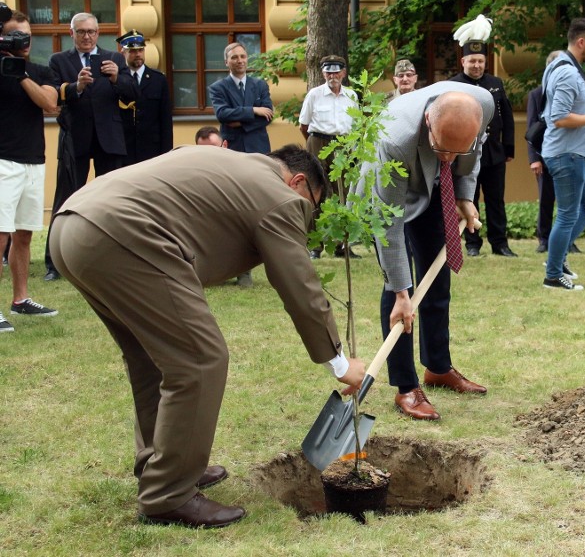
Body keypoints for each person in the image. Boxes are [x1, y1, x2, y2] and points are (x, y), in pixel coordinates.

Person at [49, 144, 366, 528]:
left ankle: (164, 465)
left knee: (153, 359)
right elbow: (298, 283)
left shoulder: (231, 166)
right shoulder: (278, 196)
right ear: (298, 181)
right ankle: (167, 495)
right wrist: (339, 362)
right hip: (123, 233)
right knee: (200, 359)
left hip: (71, 226)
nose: (306, 220)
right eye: (311, 209)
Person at [360, 82, 492, 421]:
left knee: (437, 276)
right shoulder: (395, 137)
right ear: (429, 121)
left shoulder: (483, 106)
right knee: (397, 290)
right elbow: (388, 227)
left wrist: (464, 196)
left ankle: (437, 366)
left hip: (437, 186)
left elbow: (471, 157)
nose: (448, 156)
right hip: (393, 190)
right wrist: (403, 292)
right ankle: (406, 387)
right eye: (442, 148)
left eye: (455, 151)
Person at [43, 12, 137, 281]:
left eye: (91, 32)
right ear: (71, 33)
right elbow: (53, 97)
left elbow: (132, 94)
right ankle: (55, 263)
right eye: (81, 32)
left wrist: (118, 77)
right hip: (76, 138)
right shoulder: (59, 60)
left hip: (109, 139)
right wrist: (77, 86)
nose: (87, 36)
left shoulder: (115, 57)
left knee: (112, 201)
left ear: (98, 33)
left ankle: (114, 258)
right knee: (66, 199)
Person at [540, 18, 585, 291]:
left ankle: (556, 259)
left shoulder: (565, 66)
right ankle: (552, 274)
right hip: (565, 153)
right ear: (581, 42)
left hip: (573, 153)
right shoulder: (567, 73)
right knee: (568, 215)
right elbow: (558, 117)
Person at [0, 10, 60, 333]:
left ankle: (20, 300)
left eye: (27, 37)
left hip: (34, 161)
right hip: (3, 162)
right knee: (0, 235)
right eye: (16, 37)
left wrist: (19, 73)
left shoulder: (37, 70)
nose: (24, 42)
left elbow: (50, 104)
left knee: (23, 234)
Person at [448, 15, 517, 258]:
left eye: (480, 61)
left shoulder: (496, 83)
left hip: (493, 152)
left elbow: (506, 117)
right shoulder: (453, 84)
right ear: (463, 61)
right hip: (466, 152)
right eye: (472, 61)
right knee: (469, 196)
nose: (476, 65)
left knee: (496, 199)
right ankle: (472, 243)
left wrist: (508, 149)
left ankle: (500, 243)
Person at [208, 42, 275, 287]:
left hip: (258, 152)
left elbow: (268, 114)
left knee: (259, 207)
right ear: (227, 62)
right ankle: (237, 269)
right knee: (234, 208)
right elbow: (223, 115)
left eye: (243, 56)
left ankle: (259, 262)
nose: (240, 60)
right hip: (232, 153)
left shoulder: (259, 84)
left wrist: (244, 116)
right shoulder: (218, 87)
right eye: (234, 57)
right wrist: (253, 111)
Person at [298, 54, 359, 259]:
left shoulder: (352, 95)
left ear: (343, 73)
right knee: (316, 191)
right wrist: (316, 143)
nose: (332, 75)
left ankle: (343, 245)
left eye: (336, 71)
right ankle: (315, 245)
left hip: (343, 145)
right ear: (323, 73)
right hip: (318, 141)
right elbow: (304, 126)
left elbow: (356, 125)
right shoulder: (314, 95)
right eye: (328, 71)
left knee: (344, 194)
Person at [117, 30, 173, 166]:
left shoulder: (158, 79)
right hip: (124, 148)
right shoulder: (117, 78)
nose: (138, 55)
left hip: (152, 149)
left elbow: (165, 119)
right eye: (132, 51)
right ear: (123, 53)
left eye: (141, 50)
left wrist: (167, 153)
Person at [527, 51, 563, 254]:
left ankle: (568, 239)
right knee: (546, 199)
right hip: (545, 155)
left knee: (568, 201)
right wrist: (534, 159)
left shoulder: (570, 91)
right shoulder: (537, 95)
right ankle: (544, 238)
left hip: (567, 153)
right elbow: (532, 129)